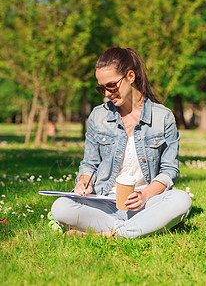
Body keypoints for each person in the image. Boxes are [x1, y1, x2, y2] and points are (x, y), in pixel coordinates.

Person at [51, 47, 192, 238]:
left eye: (111, 85)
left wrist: (144, 196)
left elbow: (169, 170)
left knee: (181, 200)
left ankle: (107, 233)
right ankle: (135, 229)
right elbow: (89, 164)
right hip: (104, 202)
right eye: (101, 88)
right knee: (60, 206)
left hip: (146, 203)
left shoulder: (163, 117)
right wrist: (84, 182)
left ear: (130, 76)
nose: (107, 93)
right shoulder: (98, 116)